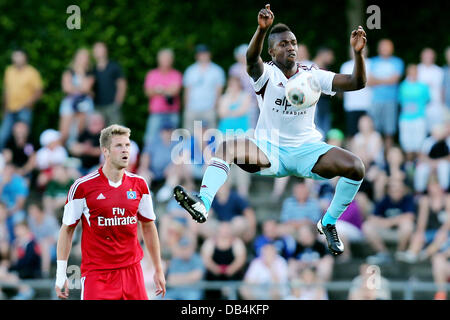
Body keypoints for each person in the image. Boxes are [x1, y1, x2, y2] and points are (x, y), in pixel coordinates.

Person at [174, 4, 368, 257]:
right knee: (226, 147)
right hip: (269, 149)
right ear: (272, 50)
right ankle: (203, 202)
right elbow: (250, 60)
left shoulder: (312, 75)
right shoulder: (266, 74)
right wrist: (261, 29)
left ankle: (328, 222)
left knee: (356, 167)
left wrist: (358, 54)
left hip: (307, 150)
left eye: (293, 42)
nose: (291, 47)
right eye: (284, 44)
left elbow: (356, 82)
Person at [54, 124, 166, 300]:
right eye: (119, 146)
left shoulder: (140, 185)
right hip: (97, 275)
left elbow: (149, 226)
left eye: (127, 145)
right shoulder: (83, 187)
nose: (125, 150)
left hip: (132, 273)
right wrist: (61, 274)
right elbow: (67, 230)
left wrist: (158, 269)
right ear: (105, 151)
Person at [362, 179, 416, 265]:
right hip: (385, 230)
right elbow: (372, 218)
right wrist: (384, 222)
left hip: (400, 232)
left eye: (398, 190)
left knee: (407, 224)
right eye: (393, 190)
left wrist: (390, 222)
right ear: (388, 191)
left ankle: (400, 252)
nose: (396, 192)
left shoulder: (408, 199)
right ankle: (383, 254)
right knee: (366, 226)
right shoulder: (384, 200)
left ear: (403, 190)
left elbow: (410, 216)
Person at [0, 49, 43, 150]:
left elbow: (39, 91)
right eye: (15, 56)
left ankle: (25, 160)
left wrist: (27, 104)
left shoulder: (32, 72)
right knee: (3, 135)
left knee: (22, 138)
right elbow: (7, 91)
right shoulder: (9, 71)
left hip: (24, 110)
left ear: (25, 58)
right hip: (10, 109)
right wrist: (4, 108)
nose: (16, 59)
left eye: (19, 56)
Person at [367, 39, 404, 149]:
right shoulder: (372, 62)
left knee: (389, 131)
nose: (385, 49)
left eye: (387, 47)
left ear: (392, 49)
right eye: (383, 46)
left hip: (391, 100)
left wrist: (377, 81)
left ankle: (388, 159)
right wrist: (387, 80)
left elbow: (394, 80)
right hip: (375, 101)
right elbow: (369, 82)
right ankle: (377, 156)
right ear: (379, 49)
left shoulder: (397, 62)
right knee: (374, 131)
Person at [143, 48, 182, 147]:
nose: (166, 61)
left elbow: (175, 91)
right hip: (156, 113)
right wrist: (167, 89)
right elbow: (148, 92)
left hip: (172, 112)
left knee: (173, 141)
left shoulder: (176, 74)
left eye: (168, 59)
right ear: (158, 60)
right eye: (163, 59)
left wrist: (158, 89)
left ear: (172, 60)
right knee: (150, 139)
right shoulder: (152, 74)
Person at [183, 44, 226, 132]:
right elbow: (187, 90)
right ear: (197, 56)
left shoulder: (217, 70)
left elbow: (219, 91)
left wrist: (215, 107)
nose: (203, 56)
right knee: (189, 135)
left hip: (209, 109)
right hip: (192, 108)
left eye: (205, 53)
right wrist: (187, 107)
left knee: (211, 135)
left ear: (209, 54)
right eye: (200, 54)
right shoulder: (190, 70)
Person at [58, 48, 95, 145]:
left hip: (84, 104)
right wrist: (82, 89)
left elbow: (86, 88)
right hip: (70, 103)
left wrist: (80, 73)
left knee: (80, 131)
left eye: (85, 57)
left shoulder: (90, 73)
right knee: (64, 133)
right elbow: (66, 88)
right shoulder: (68, 71)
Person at [201, 222, 247, 299]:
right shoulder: (210, 242)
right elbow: (206, 258)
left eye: (227, 229)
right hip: (214, 274)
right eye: (223, 229)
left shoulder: (237, 242)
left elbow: (241, 258)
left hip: (233, 274)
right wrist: (215, 269)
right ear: (218, 230)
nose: (225, 232)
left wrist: (231, 269)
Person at [397, 64, 430, 158]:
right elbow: (400, 101)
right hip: (405, 119)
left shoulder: (423, 87)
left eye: (414, 72)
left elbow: (427, 100)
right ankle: (409, 167)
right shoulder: (403, 86)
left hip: (419, 118)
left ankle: (418, 166)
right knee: (407, 146)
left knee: (419, 145)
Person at [92, 42, 127, 126]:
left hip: (112, 106)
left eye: (99, 49)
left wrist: (117, 103)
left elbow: (122, 85)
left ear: (105, 50)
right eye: (95, 49)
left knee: (115, 132)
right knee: (99, 134)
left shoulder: (114, 66)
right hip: (97, 107)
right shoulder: (92, 69)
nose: (97, 51)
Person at [340, 47, 372, 138]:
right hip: (351, 106)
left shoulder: (371, 64)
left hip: (368, 105)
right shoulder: (345, 66)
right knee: (352, 133)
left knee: (368, 133)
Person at [418, 48, 446, 132]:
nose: (428, 57)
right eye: (426, 55)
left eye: (430, 55)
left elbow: (443, 89)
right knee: (422, 130)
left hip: (436, 106)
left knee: (437, 129)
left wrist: (443, 105)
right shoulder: (417, 70)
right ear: (421, 57)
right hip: (420, 107)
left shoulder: (439, 71)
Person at [312, 47, 335, 135]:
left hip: (325, 105)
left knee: (324, 133)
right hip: (315, 105)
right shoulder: (311, 68)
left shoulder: (325, 69)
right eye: (330, 55)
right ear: (323, 54)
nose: (332, 58)